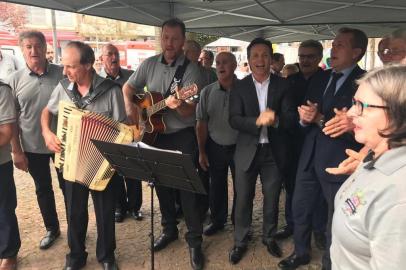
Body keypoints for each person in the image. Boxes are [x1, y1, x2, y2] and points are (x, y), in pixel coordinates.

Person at [278, 27, 367, 270]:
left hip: (339, 159)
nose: (333, 49)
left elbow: (359, 127)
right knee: (300, 206)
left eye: (340, 45)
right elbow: (309, 114)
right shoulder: (321, 77)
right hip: (309, 154)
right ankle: (301, 252)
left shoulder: (365, 83)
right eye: (333, 44)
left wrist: (318, 118)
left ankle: (330, 262)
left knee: (333, 216)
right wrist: (304, 119)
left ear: (357, 52)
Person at [122, 18, 205, 270]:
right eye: (166, 37)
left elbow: (190, 113)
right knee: (161, 185)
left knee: (187, 188)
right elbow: (128, 86)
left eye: (175, 39)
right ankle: (169, 229)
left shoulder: (192, 71)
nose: (169, 43)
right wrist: (132, 109)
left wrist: (179, 104)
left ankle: (194, 241)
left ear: (182, 41)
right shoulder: (149, 64)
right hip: (154, 134)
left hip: (181, 134)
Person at [41, 41, 125, 270]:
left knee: (105, 213)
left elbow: (122, 131)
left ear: (88, 64)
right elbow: (47, 111)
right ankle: (76, 256)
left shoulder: (111, 91)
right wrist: (47, 132)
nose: (65, 71)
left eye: (71, 66)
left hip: (103, 164)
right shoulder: (63, 88)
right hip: (71, 162)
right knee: (75, 212)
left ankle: (107, 256)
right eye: (64, 66)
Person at [228, 37, 296, 265]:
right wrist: (256, 121)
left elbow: (291, 119)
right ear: (248, 60)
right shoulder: (239, 86)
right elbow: (234, 119)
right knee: (243, 198)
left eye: (265, 55)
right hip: (247, 151)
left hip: (274, 152)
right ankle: (240, 241)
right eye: (255, 55)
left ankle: (269, 237)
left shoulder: (283, 85)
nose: (260, 60)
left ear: (271, 59)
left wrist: (274, 119)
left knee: (272, 197)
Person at [331, 65, 406, 270]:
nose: (352, 113)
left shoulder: (399, 197)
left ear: (398, 112)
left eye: (363, 105)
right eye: (355, 103)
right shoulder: (376, 156)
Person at [8, 30, 65, 250]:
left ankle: (76, 229)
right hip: (32, 147)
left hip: (62, 144)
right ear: (22, 50)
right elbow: (10, 119)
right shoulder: (14, 80)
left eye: (37, 46)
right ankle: (52, 229)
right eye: (28, 47)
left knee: (68, 188)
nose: (34, 51)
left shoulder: (62, 73)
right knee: (43, 188)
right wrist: (17, 151)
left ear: (45, 47)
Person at [275, 40, 328, 251]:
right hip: (292, 142)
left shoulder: (327, 79)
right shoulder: (290, 80)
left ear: (319, 58)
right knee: (291, 185)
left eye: (310, 56)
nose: (305, 60)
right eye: (302, 56)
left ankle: (318, 229)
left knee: (317, 188)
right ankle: (292, 224)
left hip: (317, 142)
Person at [99, 43, 143, 223]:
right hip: (109, 132)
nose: (113, 57)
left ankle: (135, 207)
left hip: (130, 130)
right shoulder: (97, 80)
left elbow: (142, 101)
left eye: (115, 53)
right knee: (114, 171)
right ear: (101, 59)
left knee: (133, 169)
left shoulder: (131, 77)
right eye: (109, 54)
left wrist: (140, 124)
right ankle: (120, 207)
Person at [196, 52, 238, 236]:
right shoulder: (207, 91)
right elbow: (201, 123)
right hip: (215, 146)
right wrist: (202, 151)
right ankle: (217, 220)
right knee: (217, 186)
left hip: (240, 147)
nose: (221, 66)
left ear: (235, 65)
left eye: (226, 63)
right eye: (218, 63)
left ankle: (240, 222)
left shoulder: (246, 89)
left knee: (242, 187)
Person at [0, 81, 20, 270]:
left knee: (4, 209)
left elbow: (6, 133)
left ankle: (8, 253)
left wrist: (18, 152)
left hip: (0, 162)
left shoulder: (2, 90)